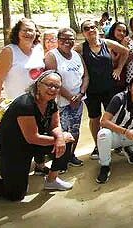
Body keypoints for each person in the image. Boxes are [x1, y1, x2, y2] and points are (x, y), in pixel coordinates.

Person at [0, 71, 74, 201]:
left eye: (57, 86)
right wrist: (59, 140)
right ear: (38, 84)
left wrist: (60, 138)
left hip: (32, 145)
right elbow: (33, 137)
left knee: (67, 140)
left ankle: (51, 181)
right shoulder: (25, 104)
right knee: (15, 195)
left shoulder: (51, 102)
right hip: (11, 149)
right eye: (49, 85)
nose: (53, 89)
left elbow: (55, 125)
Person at [0, 18, 48, 174]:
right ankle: (18, 169)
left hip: (38, 102)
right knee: (20, 138)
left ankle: (40, 164)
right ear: (17, 32)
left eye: (31, 30)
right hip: (17, 105)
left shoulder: (38, 49)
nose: (28, 33)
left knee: (40, 132)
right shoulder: (9, 51)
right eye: (24, 30)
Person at [75, 19, 129, 160]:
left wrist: (119, 68)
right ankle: (98, 145)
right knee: (94, 119)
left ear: (97, 28)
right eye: (87, 28)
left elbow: (125, 52)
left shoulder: (107, 43)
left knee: (113, 116)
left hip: (109, 88)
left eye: (93, 27)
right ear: (83, 33)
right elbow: (66, 56)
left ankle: (117, 144)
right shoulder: (80, 48)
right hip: (91, 90)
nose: (91, 30)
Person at [44, 28, 88, 169]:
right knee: (60, 131)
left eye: (70, 39)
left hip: (78, 100)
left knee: (75, 129)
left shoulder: (77, 55)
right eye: (63, 39)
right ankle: (59, 161)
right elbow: (52, 80)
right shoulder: (52, 56)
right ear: (58, 39)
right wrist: (70, 97)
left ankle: (71, 155)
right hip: (60, 102)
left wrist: (80, 94)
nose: (67, 42)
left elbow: (86, 76)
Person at [105, 21, 130, 93]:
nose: (121, 33)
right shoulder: (107, 44)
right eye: (119, 30)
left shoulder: (127, 43)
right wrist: (123, 48)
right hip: (112, 79)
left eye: (124, 31)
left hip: (124, 79)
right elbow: (114, 62)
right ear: (113, 31)